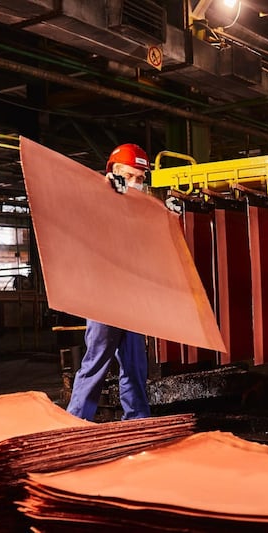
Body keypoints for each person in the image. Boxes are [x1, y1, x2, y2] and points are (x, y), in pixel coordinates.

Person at [66, 143, 152, 421]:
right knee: (96, 362)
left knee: (135, 364)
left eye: (140, 179)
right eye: (128, 176)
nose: (134, 183)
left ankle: (137, 419)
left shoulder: (138, 210)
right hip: (104, 296)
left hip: (133, 297)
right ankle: (77, 422)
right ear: (113, 174)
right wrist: (106, 194)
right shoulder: (94, 201)